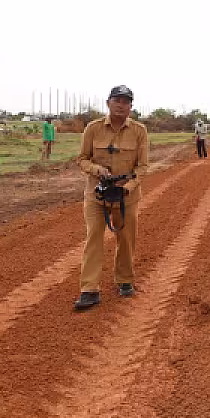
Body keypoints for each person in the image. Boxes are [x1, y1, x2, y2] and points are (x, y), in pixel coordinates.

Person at [73, 85, 149, 311]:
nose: (121, 104)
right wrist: (97, 170)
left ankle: (125, 281)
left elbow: (143, 166)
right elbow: (82, 159)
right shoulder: (93, 128)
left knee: (126, 238)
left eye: (126, 101)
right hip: (96, 195)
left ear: (131, 107)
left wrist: (128, 187)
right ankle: (89, 289)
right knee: (93, 237)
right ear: (108, 103)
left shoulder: (139, 131)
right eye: (117, 100)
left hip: (126, 196)